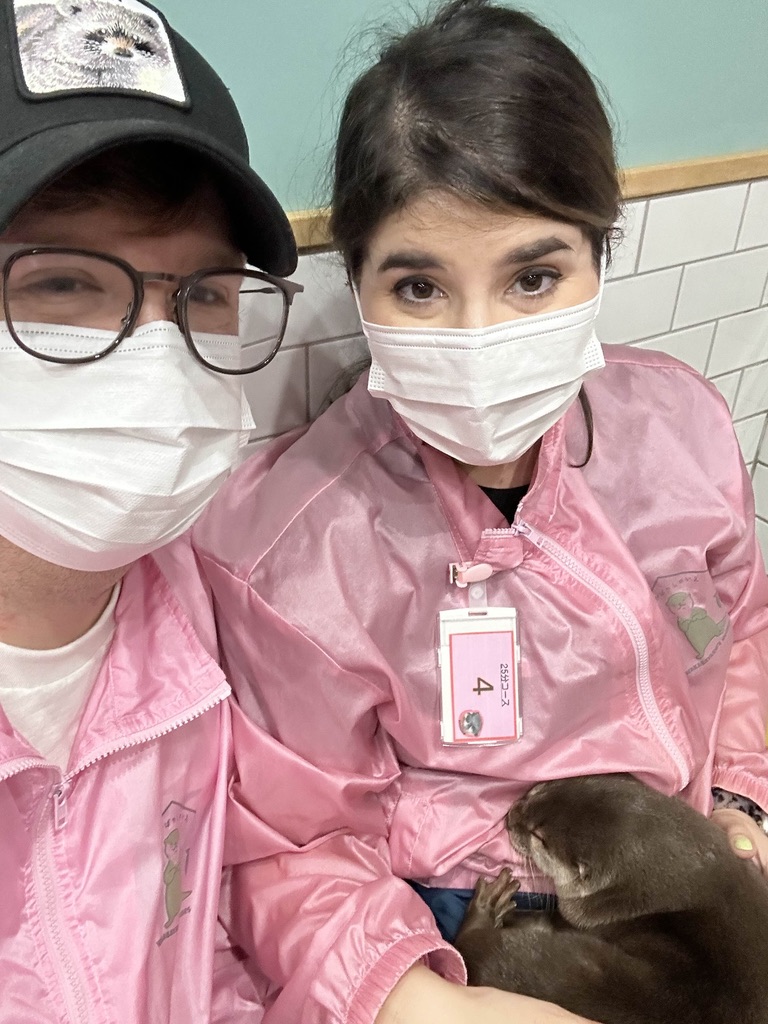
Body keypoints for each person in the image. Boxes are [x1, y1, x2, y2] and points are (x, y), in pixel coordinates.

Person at [194, 1, 768, 1022]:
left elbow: (742, 633)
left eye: (534, 276)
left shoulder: (679, 426)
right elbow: (293, 847)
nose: (480, 335)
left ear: (602, 253)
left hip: (686, 874)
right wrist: (428, 1002)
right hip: (476, 922)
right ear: (359, 282)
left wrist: (739, 795)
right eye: (418, 286)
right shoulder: (292, 543)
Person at [0, 0, 302, 1019]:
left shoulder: (192, 616)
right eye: (63, 283)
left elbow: (199, 953)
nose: (157, 362)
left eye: (207, 295)